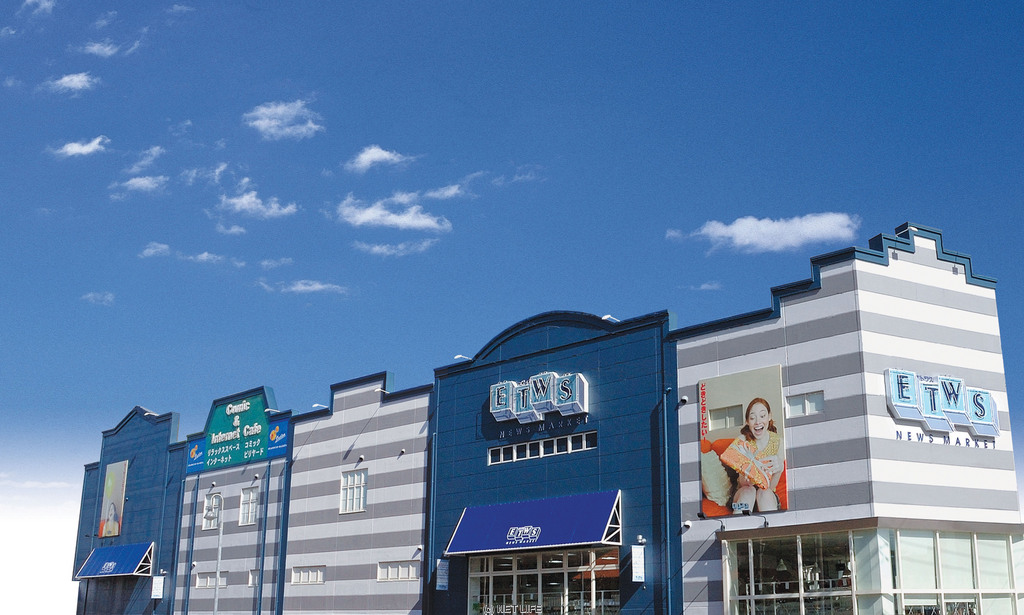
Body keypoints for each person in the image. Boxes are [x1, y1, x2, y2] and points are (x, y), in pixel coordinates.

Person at [729, 397, 783, 513]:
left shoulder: (778, 441)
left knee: (764, 492)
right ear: (747, 421)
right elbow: (742, 483)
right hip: (742, 495)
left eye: (762, 416)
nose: (758, 422)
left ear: (769, 416)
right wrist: (748, 477)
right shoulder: (742, 441)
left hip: (767, 495)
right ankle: (738, 523)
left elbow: (771, 486)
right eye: (753, 418)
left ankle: (769, 524)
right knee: (749, 491)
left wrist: (780, 469)